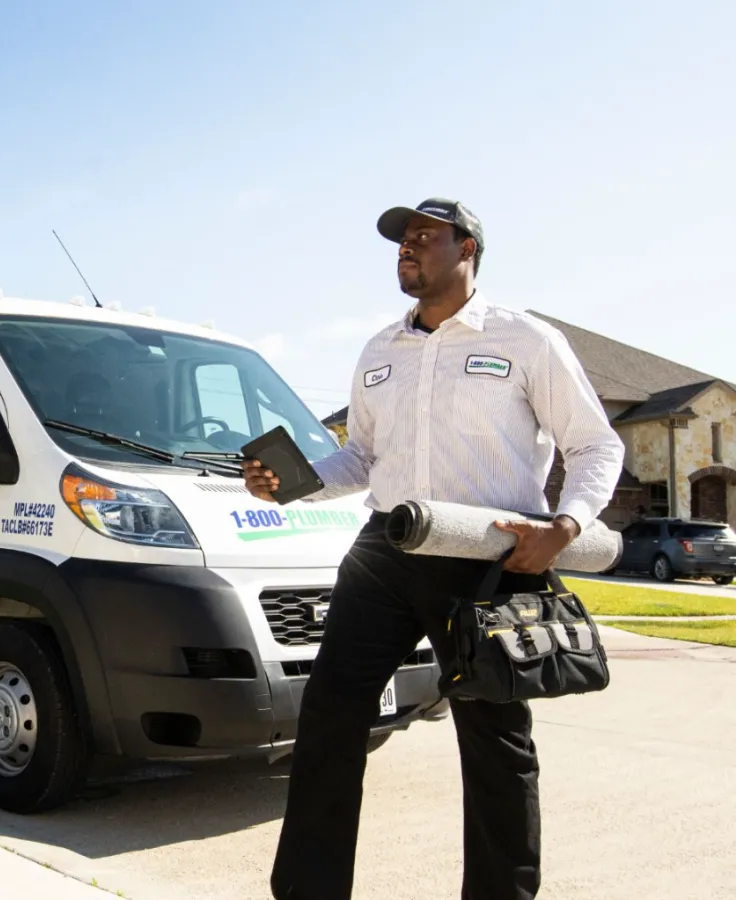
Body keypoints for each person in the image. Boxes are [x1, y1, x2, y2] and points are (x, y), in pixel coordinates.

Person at [246, 198, 624, 900]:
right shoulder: (380, 350)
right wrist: (291, 484)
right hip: (386, 550)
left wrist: (564, 528)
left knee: (493, 739)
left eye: (424, 236)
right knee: (329, 715)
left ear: (467, 248)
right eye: (400, 240)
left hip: (490, 557)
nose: (406, 248)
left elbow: (596, 444)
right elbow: (359, 459)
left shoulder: (525, 339)